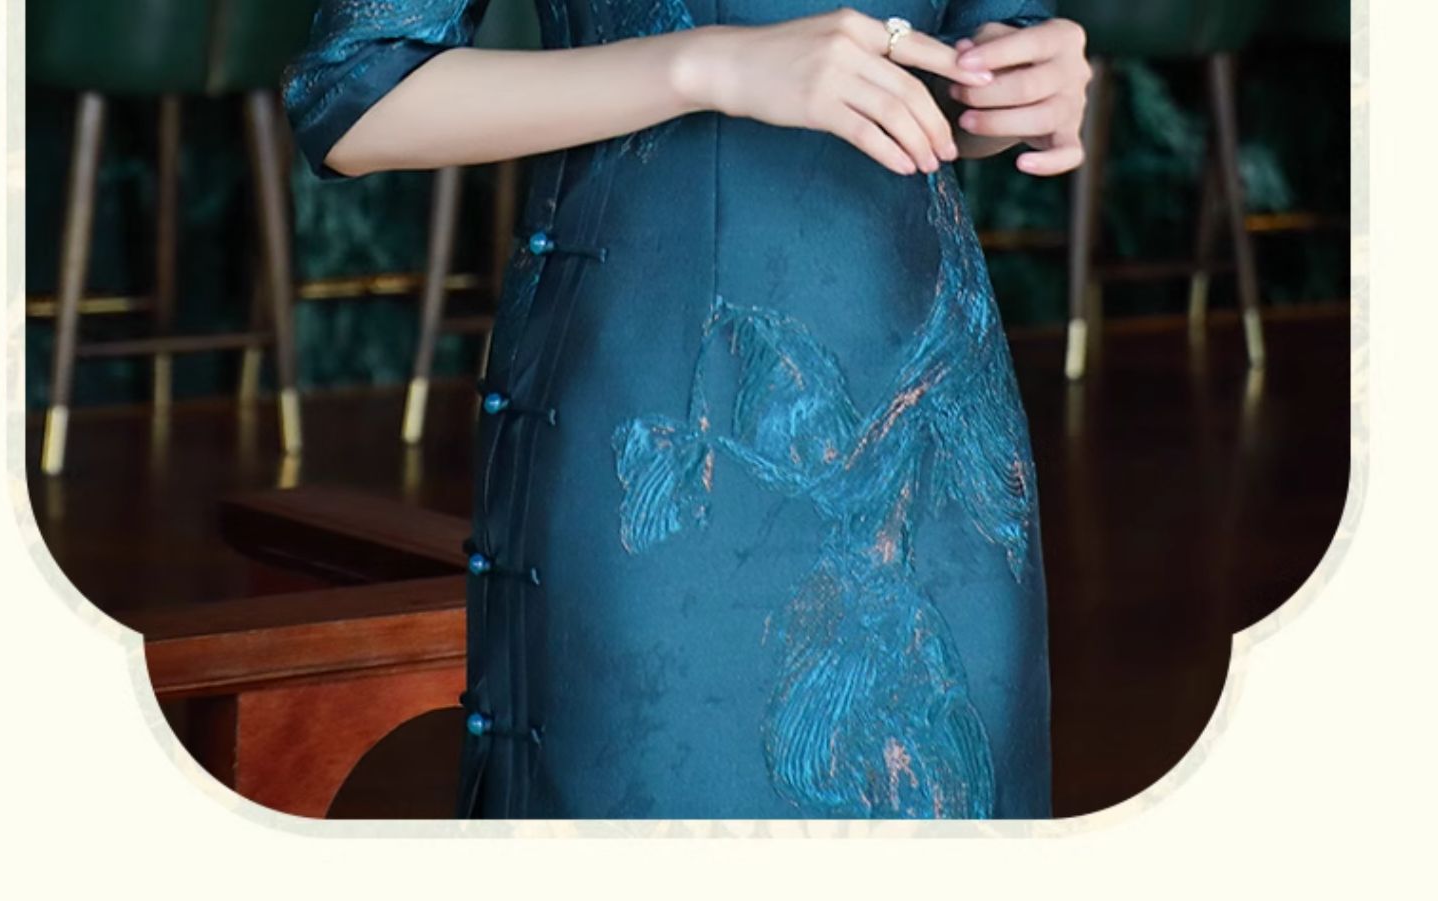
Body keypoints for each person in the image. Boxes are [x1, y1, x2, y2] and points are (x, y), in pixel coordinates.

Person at [284, 0, 1090, 819]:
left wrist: (1017, 78)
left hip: (933, 474)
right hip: (665, 445)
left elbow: (974, 54)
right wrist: (708, 65)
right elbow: (355, 96)